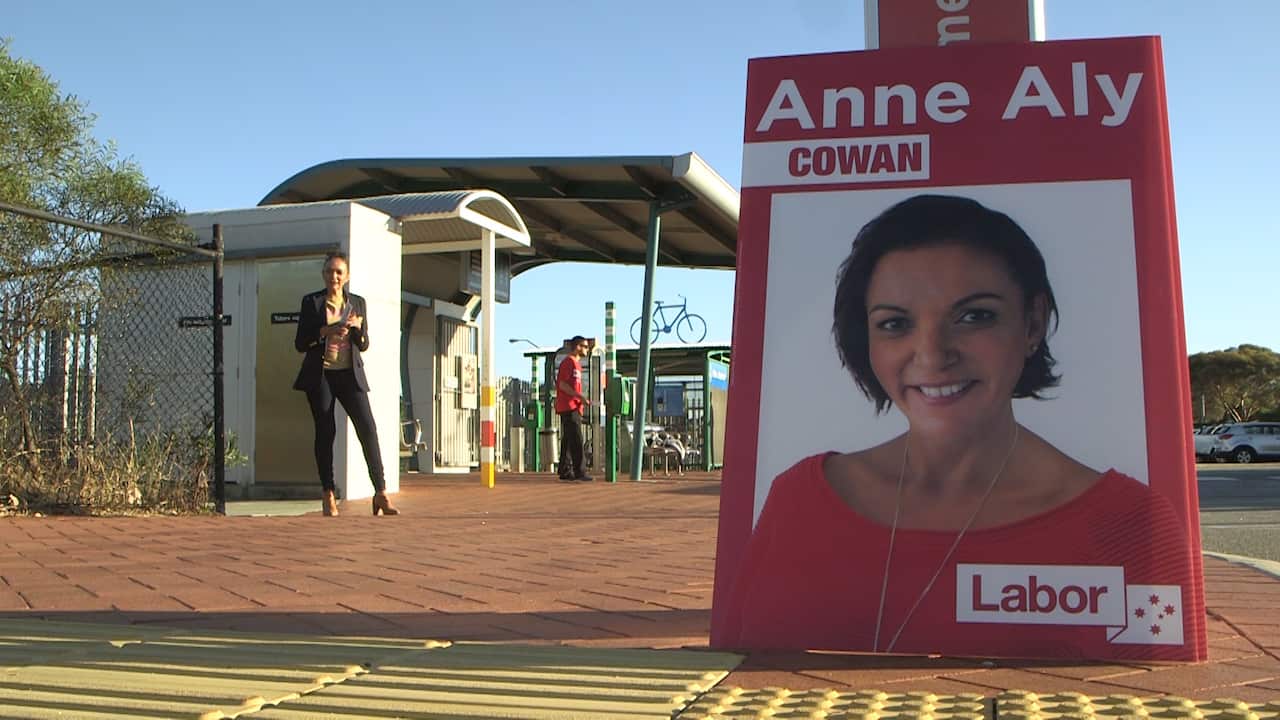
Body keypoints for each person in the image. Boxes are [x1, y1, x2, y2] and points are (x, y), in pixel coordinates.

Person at [722, 194, 1193, 659]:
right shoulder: (798, 500)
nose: (932, 354)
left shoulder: (1130, 525)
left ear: (1032, 323)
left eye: (974, 316)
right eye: (894, 324)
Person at [293, 251, 400, 517]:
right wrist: (324, 333)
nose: (334, 276)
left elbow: (364, 344)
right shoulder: (312, 303)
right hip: (321, 376)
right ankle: (328, 493)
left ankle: (381, 493)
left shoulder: (358, 304)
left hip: (350, 375)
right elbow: (299, 344)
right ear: (324, 275)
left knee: (368, 428)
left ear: (347, 276)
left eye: (339, 272)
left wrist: (357, 330)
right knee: (326, 431)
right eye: (330, 271)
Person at [555, 335, 593, 482]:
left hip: (575, 406)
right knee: (576, 438)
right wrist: (579, 396)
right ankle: (580, 471)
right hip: (569, 406)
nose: (587, 350)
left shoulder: (577, 365)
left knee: (568, 438)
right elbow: (563, 384)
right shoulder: (568, 363)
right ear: (578, 347)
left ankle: (564, 469)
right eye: (585, 346)